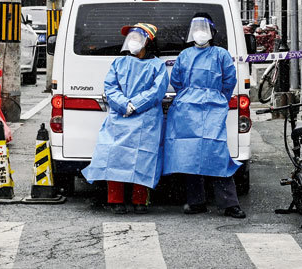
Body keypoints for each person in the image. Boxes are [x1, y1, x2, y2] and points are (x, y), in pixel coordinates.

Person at [163, 14, 246, 219]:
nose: (200, 32)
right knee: (192, 156)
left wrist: (215, 99)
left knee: (217, 154)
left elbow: (229, 81)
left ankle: (228, 204)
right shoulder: (184, 55)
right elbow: (178, 81)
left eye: (203, 27)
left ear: (212, 31)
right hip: (188, 110)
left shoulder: (221, 55)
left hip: (212, 109)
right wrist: (198, 96)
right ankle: (196, 201)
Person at [82, 22, 168, 215]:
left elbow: (157, 91)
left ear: (148, 42)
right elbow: (110, 87)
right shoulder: (119, 63)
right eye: (132, 38)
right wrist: (124, 104)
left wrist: (134, 105)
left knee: (143, 159)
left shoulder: (157, 66)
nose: (133, 42)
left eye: (138, 38)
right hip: (121, 117)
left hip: (145, 120)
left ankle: (140, 200)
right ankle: (115, 200)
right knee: (114, 158)